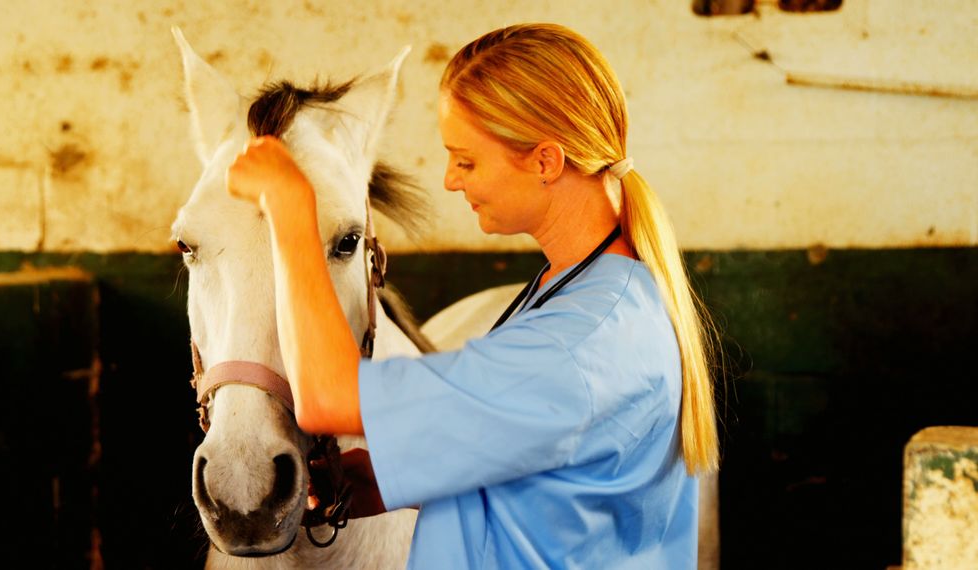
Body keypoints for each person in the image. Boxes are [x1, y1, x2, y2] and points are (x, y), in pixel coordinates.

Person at [227, 23, 718, 569]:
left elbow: (327, 398)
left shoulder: (579, 343)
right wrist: (381, 480)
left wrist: (292, 206)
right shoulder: (591, 289)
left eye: (466, 160)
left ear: (545, 161)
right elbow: (539, 463)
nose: (450, 180)